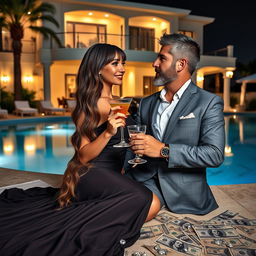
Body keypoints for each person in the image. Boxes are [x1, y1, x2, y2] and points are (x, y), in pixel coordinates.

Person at [0, 43, 160, 256]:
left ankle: (94, 208)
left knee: (146, 203)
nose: (122, 68)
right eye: (115, 63)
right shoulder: (90, 104)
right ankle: (85, 219)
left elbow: (120, 147)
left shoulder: (118, 102)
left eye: (123, 63)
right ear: (97, 69)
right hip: (90, 171)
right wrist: (107, 132)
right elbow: (83, 155)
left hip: (111, 173)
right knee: (148, 201)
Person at [126, 33, 225, 215]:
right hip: (142, 178)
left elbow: (215, 155)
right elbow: (132, 145)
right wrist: (122, 172)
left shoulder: (208, 102)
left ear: (181, 64)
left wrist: (164, 150)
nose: (154, 63)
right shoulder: (146, 103)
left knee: (132, 210)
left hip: (183, 191)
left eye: (162, 58)